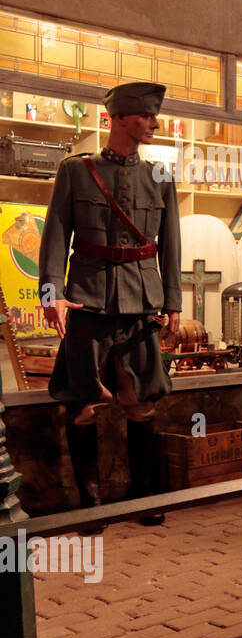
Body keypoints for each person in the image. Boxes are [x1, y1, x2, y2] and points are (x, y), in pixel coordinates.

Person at [38, 81, 181, 527]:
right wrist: (51, 294)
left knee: (142, 402)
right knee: (83, 405)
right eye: (145, 116)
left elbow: (170, 242)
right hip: (87, 301)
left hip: (140, 302)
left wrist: (173, 300)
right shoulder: (76, 170)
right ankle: (92, 504)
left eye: (155, 116)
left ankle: (144, 497)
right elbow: (57, 234)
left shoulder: (160, 174)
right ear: (118, 118)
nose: (154, 124)